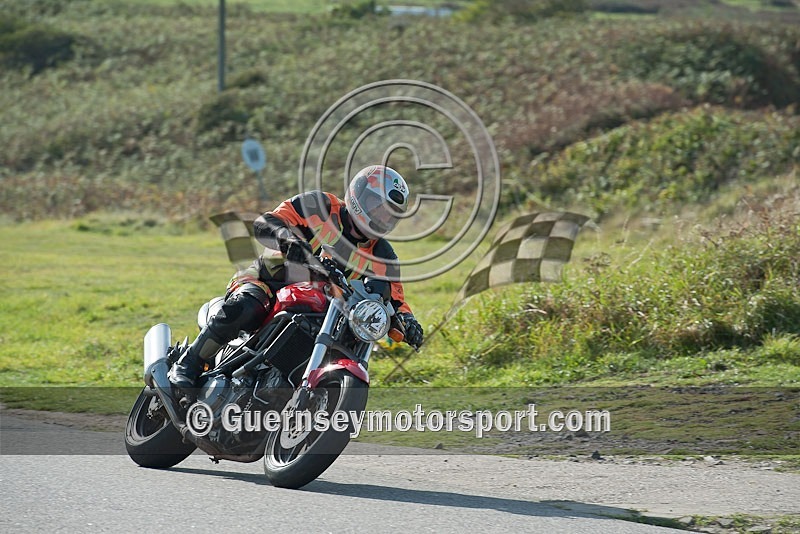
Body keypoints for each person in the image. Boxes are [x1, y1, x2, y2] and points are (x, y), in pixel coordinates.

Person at [169, 165, 424, 389]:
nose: (382, 217)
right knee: (247, 305)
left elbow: (394, 299)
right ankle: (188, 364)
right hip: (268, 281)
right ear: (359, 194)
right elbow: (267, 222)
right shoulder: (320, 207)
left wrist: (407, 322)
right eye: (378, 207)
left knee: (346, 342)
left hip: (324, 312)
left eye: (389, 214)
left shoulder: (383, 255)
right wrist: (288, 240)